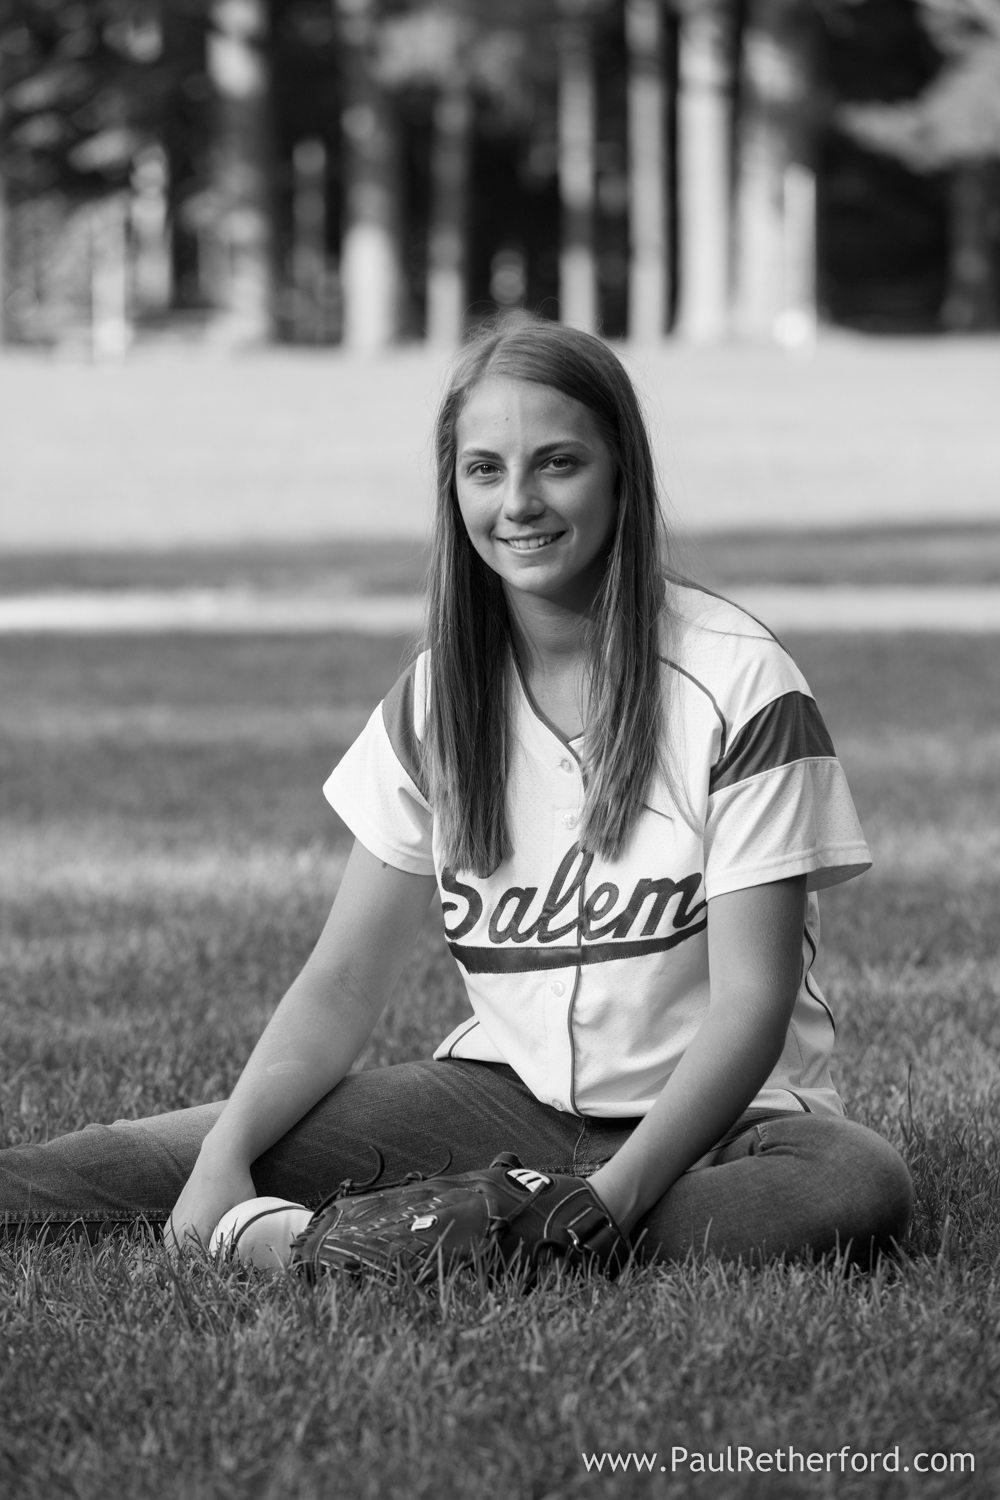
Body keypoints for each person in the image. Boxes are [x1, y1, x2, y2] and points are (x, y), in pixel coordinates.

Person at [0, 317, 912, 1269]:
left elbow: (751, 1005)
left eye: (558, 463)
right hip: (498, 1101)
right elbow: (343, 981)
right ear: (454, 488)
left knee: (850, 1186)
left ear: (621, 476)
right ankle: (474, 1233)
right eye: (485, 470)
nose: (518, 503)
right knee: (105, 1170)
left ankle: (381, 1240)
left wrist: (609, 1199)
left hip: (728, 1125)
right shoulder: (435, 702)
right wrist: (224, 1157)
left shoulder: (740, 682)